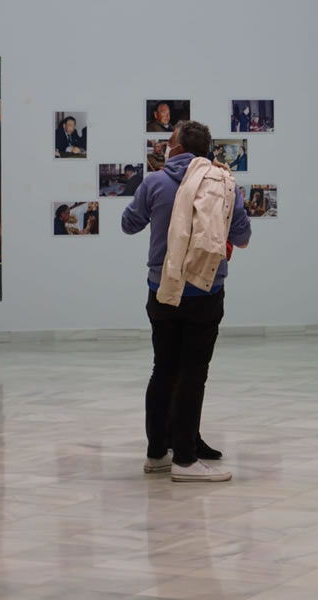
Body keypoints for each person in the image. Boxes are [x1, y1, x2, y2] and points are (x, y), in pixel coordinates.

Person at [122, 120, 251, 483]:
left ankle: (156, 455)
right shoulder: (224, 183)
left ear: (176, 147)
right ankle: (185, 460)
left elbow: (128, 224)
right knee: (193, 373)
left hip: (162, 288)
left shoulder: (155, 182)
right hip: (205, 292)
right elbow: (242, 237)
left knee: (163, 369)